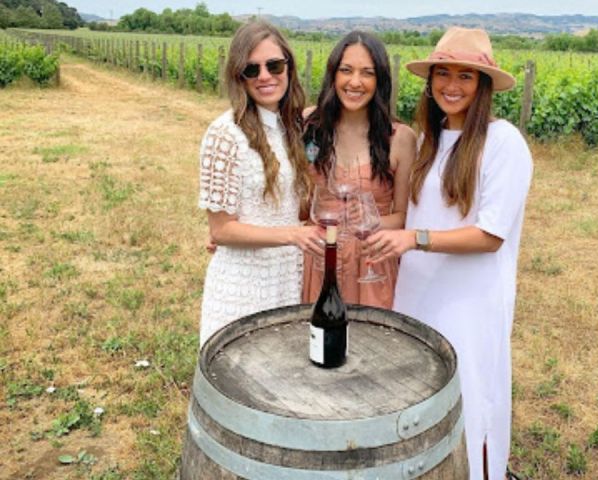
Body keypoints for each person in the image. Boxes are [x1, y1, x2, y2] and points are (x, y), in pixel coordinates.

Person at [365, 27, 533, 480]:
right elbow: (412, 216)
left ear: (482, 86)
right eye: (443, 73)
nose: (452, 85)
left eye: (466, 76)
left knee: (469, 398)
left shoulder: (504, 144)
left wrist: (415, 239)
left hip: (470, 300)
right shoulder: (428, 140)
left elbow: (489, 236)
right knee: (417, 392)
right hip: (418, 292)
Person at [197, 21, 324, 345]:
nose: (265, 76)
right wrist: (292, 235)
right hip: (243, 283)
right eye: (251, 69)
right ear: (238, 76)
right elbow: (221, 230)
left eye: (274, 65)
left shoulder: (296, 127)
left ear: (289, 67)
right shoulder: (225, 134)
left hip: (289, 278)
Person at [301, 31, 416, 309]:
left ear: (380, 80)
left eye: (367, 73)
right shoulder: (309, 124)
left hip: (371, 266)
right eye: (346, 70)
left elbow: (403, 218)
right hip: (320, 261)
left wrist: (370, 220)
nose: (355, 82)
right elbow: (298, 201)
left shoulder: (400, 138)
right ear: (333, 75)